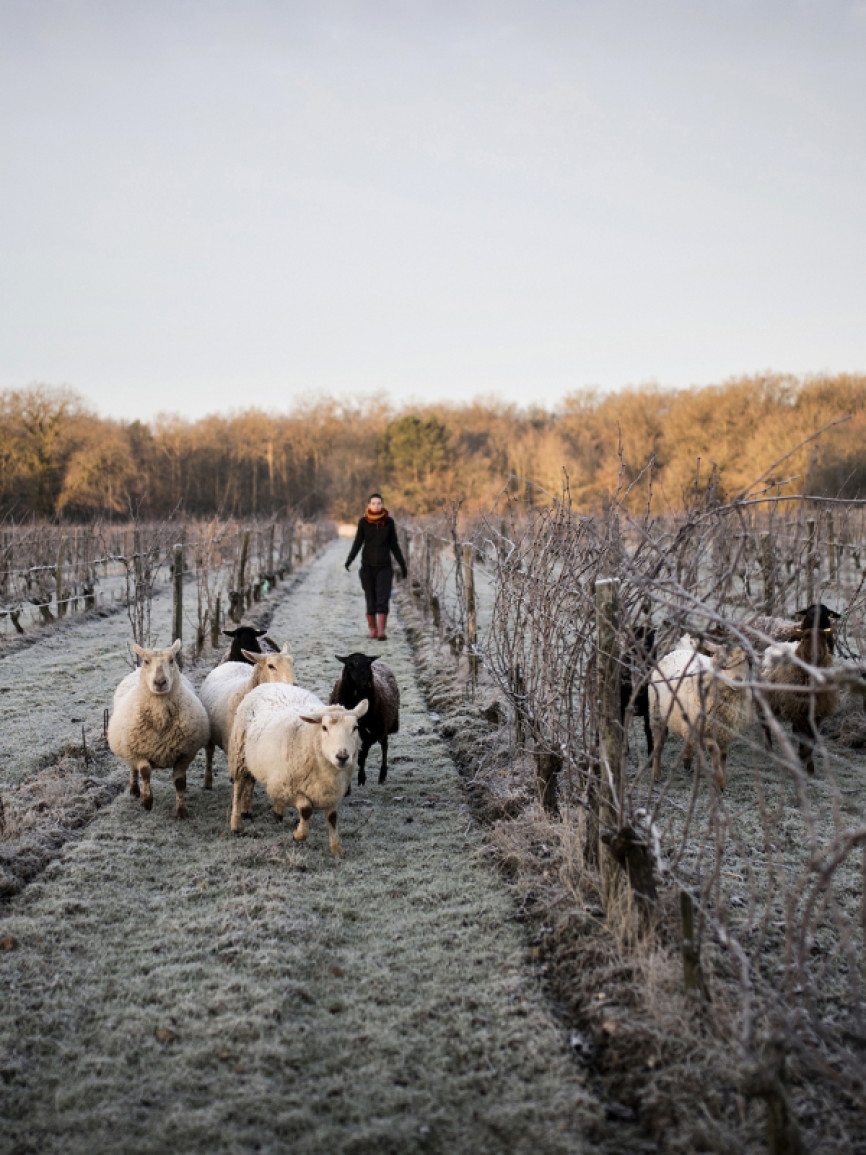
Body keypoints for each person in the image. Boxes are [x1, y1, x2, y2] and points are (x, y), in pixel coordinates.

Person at [345, 493, 407, 641]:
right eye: (373, 503)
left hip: (384, 567)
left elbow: (394, 545)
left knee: (383, 597)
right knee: (370, 598)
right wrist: (350, 559)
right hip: (367, 567)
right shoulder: (363, 522)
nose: (376, 506)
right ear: (369, 505)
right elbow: (358, 542)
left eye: (379, 503)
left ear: (382, 505)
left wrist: (402, 564)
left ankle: (381, 630)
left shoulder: (389, 522)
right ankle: (372, 629)